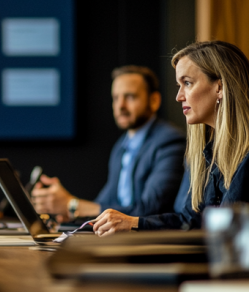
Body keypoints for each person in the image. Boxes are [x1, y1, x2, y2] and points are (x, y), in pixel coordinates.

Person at [93, 41, 249, 235]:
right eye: (179, 85)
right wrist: (133, 222)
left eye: (188, 83)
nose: (178, 96)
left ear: (219, 87)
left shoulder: (245, 155)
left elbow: (229, 235)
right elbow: (188, 221)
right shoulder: (204, 154)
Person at [32, 65, 186, 224]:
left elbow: (150, 209)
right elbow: (104, 204)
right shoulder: (121, 147)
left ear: (154, 101)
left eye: (130, 96)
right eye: (116, 98)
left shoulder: (170, 141)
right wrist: (70, 212)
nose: (121, 106)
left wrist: (72, 205)